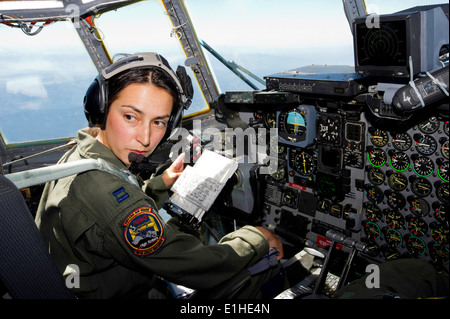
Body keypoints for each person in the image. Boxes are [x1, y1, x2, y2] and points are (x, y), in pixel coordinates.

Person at [35, 52, 284, 299]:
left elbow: (112, 209)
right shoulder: (103, 190)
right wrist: (256, 238)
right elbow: (192, 266)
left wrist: (162, 182)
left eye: (159, 122)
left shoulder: (81, 154)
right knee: (260, 268)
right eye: (130, 117)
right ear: (100, 109)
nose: (145, 139)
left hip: (89, 281)